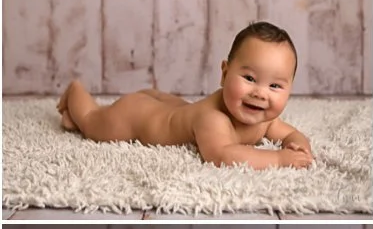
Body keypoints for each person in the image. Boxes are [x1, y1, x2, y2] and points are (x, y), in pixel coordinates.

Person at [58, 22, 313, 171]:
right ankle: (75, 93)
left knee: (175, 107)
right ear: (224, 74)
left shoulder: (263, 119)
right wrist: (279, 158)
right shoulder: (213, 119)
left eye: (275, 86)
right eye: (249, 79)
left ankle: (151, 95)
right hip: (138, 116)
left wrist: (299, 145)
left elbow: (290, 133)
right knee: (93, 124)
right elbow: (222, 155)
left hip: (173, 109)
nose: (260, 93)